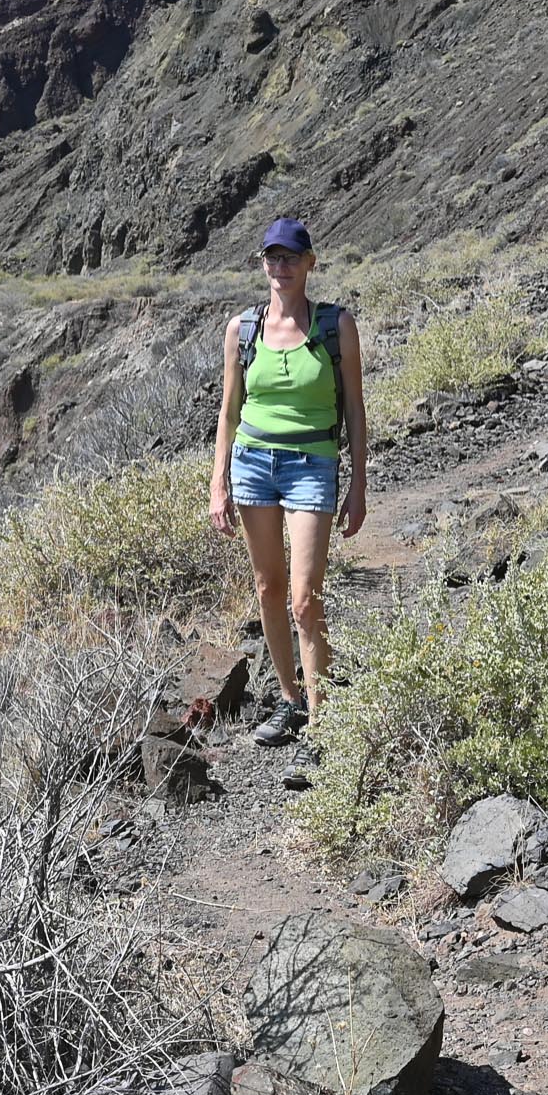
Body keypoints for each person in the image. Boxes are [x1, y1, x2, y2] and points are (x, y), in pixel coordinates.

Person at [210, 217, 368, 731]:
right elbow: (229, 411)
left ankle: (320, 725)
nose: (281, 267)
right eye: (272, 258)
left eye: (291, 258)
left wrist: (359, 483)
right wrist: (219, 482)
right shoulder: (243, 329)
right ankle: (288, 698)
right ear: (263, 263)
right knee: (268, 587)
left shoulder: (334, 325)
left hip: (311, 466)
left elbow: (357, 411)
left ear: (309, 264)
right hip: (253, 465)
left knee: (305, 598)